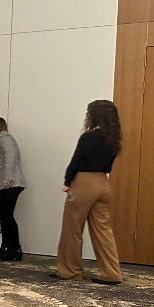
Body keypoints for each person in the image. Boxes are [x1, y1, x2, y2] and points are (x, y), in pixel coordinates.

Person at [53, 100, 123, 284]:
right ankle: (112, 273)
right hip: (103, 183)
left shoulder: (89, 137)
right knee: (103, 230)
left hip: (84, 183)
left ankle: (70, 271)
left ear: (94, 116)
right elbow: (108, 166)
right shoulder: (113, 140)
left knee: (72, 228)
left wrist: (68, 181)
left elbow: (76, 161)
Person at [0, 117, 26, 260]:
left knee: (7, 216)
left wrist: (8, 177)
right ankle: (5, 248)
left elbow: (11, 156)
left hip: (10, 183)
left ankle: (15, 249)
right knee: (3, 216)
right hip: (4, 184)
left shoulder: (4, 137)